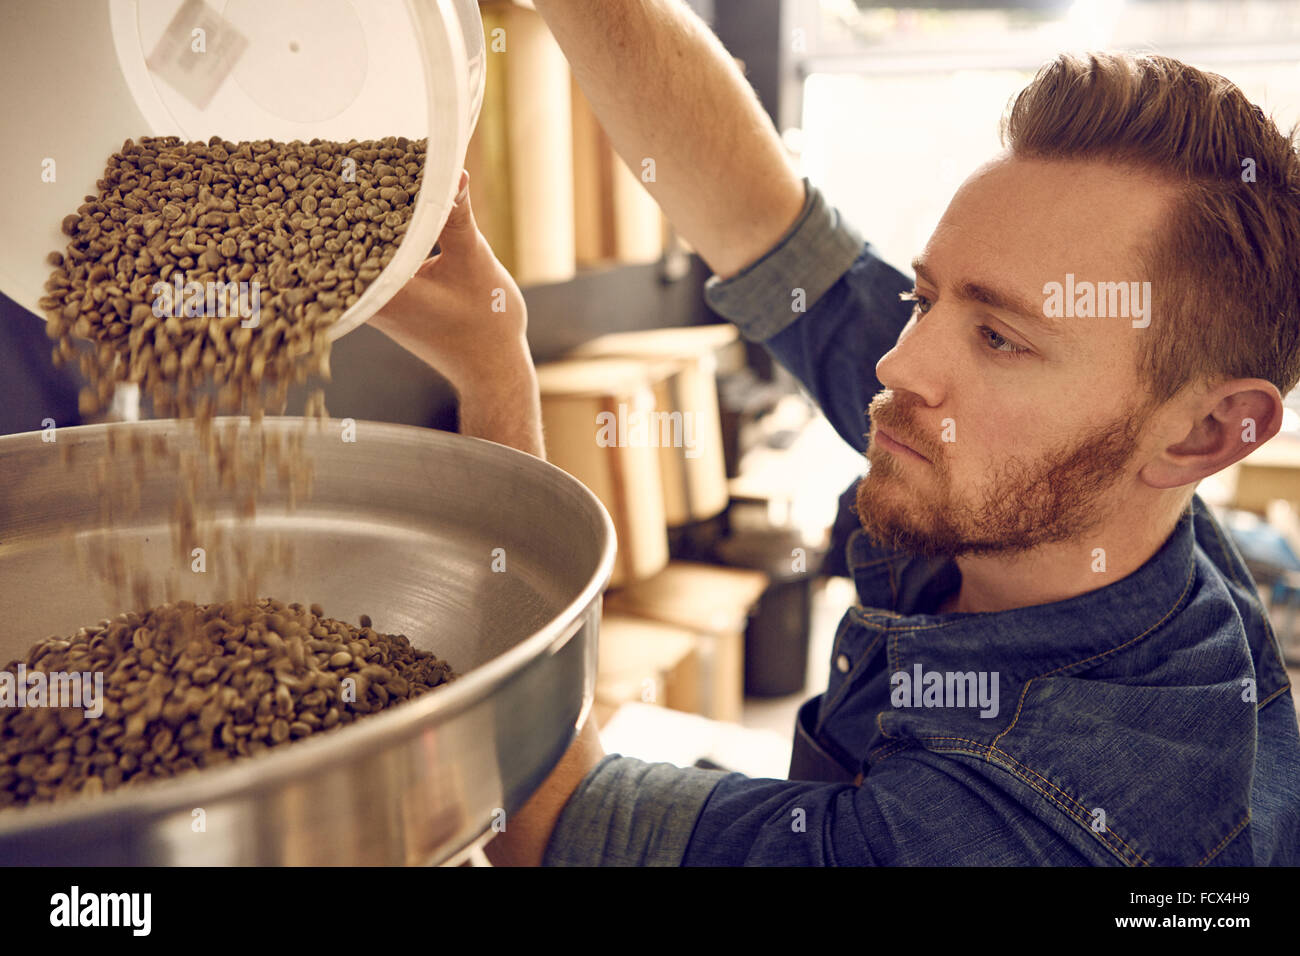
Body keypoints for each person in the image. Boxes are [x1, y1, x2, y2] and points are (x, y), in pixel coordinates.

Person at [371, 1, 1300, 865]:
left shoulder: (1031, 823)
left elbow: (550, 818)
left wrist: (495, 370)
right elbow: (767, 226)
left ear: (1210, 433)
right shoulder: (1105, 496)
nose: (900, 366)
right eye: (924, 298)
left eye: (999, 337)